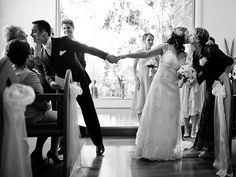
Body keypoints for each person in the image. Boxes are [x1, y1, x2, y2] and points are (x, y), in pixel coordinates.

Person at [31, 20, 118, 156]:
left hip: (79, 82)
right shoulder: (41, 53)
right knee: (61, 116)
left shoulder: (63, 41)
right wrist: (51, 82)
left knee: (88, 111)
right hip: (61, 87)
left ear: (43, 32)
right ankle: (62, 146)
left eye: (34, 31)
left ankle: (98, 143)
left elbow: (86, 48)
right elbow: (47, 72)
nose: (31, 34)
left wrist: (106, 56)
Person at [118, 27, 192, 161]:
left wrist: (185, 78)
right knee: (155, 113)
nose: (189, 37)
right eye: (187, 34)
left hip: (173, 88)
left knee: (170, 115)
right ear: (180, 35)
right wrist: (124, 56)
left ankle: (167, 148)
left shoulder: (184, 54)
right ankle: (151, 147)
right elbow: (146, 55)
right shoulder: (165, 46)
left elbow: (183, 73)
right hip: (159, 85)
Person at [6, 39, 62, 166]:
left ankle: (37, 151)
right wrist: (47, 105)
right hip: (29, 118)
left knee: (48, 115)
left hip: (12, 117)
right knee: (59, 117)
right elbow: (41, 103)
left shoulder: (7, 74)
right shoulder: (30, 76)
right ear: (27, 56)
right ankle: (53, 151)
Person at [188, 27, 234, 158]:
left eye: (192, 34)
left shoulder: (211, 49)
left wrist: (224, 76)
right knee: (208, 114)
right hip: (209, 86)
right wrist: (194, 80)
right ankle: (208, 147)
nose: (190, 36)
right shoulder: (196, 54)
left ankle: (210, 148)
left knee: (212, 115)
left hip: (220, 86)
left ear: (197, 38)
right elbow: (201, 72)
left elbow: (230, 61)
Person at [131, 33, 159, 121]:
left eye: (152, 40)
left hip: (152, 79)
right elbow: (134, 67)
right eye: (149, 40)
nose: (151, 42)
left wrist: (155, 69)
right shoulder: (139, 52)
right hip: (142, 80)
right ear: (144, 41)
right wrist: (136, 79)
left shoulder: (155, 53)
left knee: (151, 100)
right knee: (141, 99)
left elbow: (160, 66)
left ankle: (149, 122)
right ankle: (141, 124)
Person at [180, 44, 203, 138]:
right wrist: (184, 77)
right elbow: (178, 69)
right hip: (185, 84)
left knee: (194, 106)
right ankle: (186, 128)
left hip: (195, 83)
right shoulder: (182, 55)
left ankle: (193, 128)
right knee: (185, 106)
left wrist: (195, 79)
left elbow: (202, 70)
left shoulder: (199, 55)